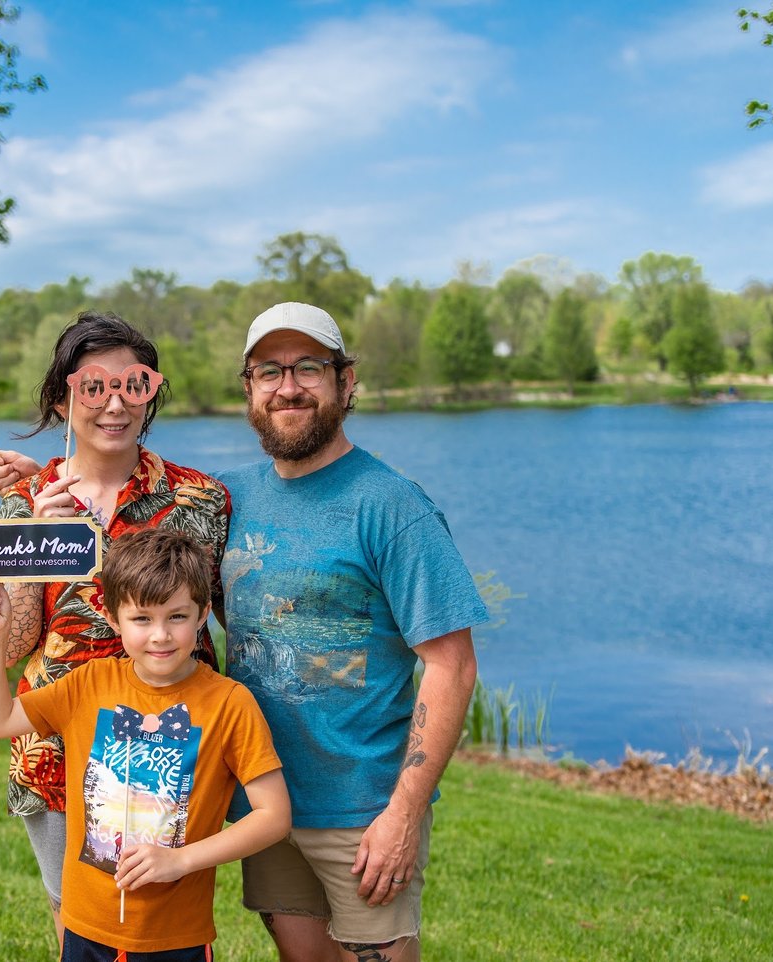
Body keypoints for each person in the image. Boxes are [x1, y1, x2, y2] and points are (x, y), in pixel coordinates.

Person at [216, 302, 486, 962]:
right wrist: (47, 487)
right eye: (268, 371)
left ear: (346, 381)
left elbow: (451, 666)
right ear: (248, 387)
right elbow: (133, 535)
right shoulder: (224, 497)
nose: (288, 387)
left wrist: (401, 815)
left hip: (364, 809)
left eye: (308, 367)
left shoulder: (392, 506)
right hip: (267, 799)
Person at [0, 312, 232, 944]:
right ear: (64, 397)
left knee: (161, 923)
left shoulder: (201, 501)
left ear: (151, 394)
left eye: (134, 384)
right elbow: (8, 645)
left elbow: (228, 620)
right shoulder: (27, 500)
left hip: (170, 750)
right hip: (56, 753)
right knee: (78, 921)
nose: (115, 403)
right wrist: (33, 531)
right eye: (93, 386)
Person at [0, 528, 290, 960]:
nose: (160, 635)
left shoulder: (230, 704)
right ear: (111, 616)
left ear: (202, 615)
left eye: (177, 617)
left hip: (175, 936)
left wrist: (181, 860)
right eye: (142, 619)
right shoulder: (89, 682)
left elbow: (273, 816)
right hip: (85, 924)